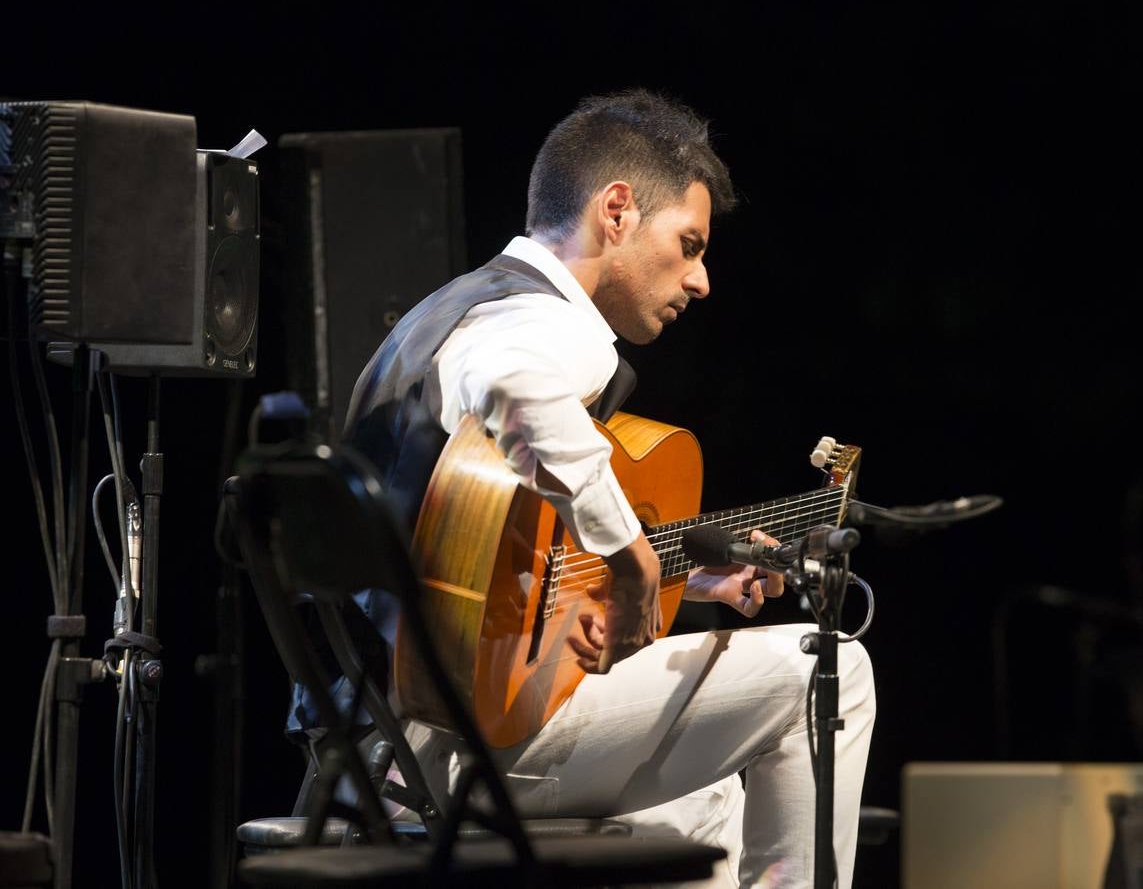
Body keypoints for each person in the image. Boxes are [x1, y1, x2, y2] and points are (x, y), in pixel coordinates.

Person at [340, 88, 876, 887]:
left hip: (372, 753)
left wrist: (683, 575)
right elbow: (516, 391)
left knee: (701, 804)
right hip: (447, 748)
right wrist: (631, 562)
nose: (701, 280)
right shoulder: (547, 325)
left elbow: (485, 563)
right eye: (688, 245)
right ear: (616, 211)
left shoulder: (452, 309)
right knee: (829, 672)